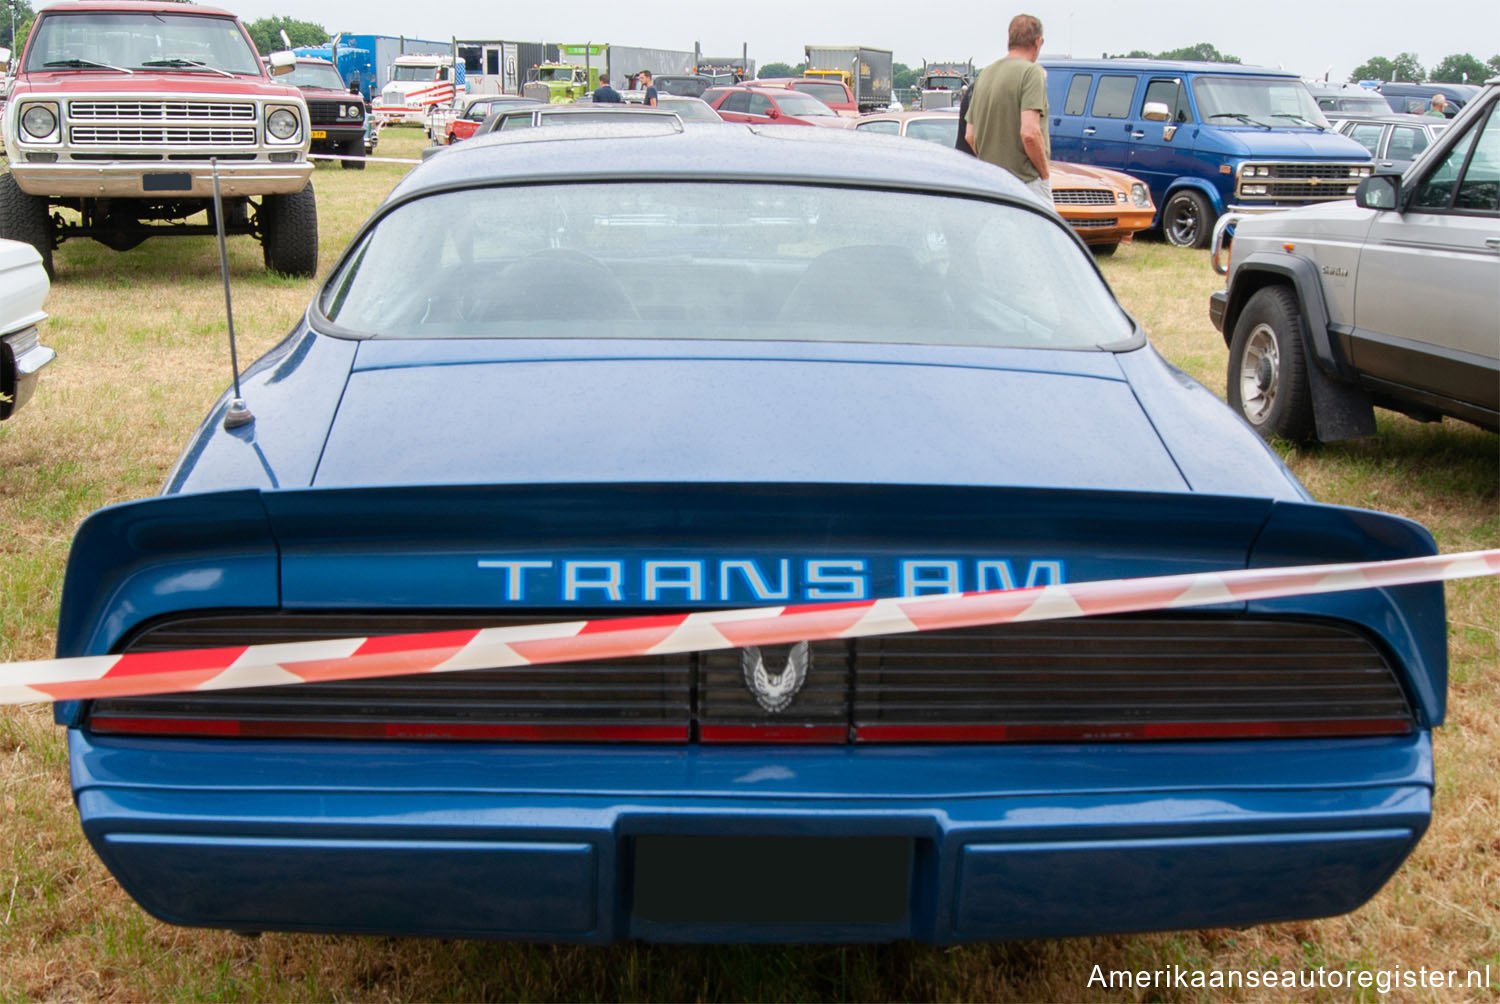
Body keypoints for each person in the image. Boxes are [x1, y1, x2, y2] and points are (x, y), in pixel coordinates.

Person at [964, 14, 1051, 201]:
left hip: (990, 183)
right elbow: (1030, 133)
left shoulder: (986, 74)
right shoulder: (1031, 72)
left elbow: (970, 135)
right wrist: (1044, 174)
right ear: (1038, 42)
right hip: (1026, 182)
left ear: (1009, 40)